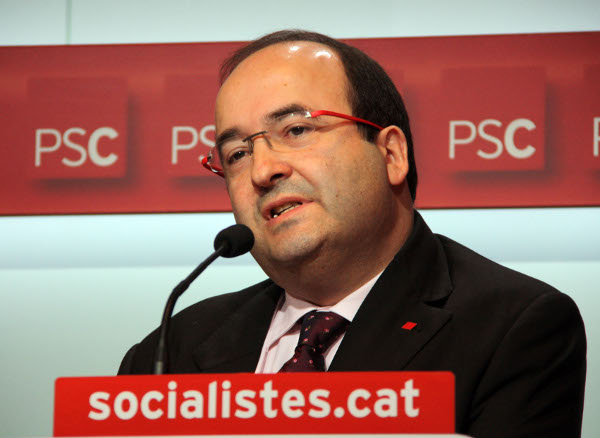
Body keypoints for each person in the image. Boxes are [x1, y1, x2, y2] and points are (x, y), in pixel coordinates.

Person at [119, 30, 586, 436]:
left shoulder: (512, 328)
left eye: (296, 130)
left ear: (391, 155)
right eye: (237, 154)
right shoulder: (170, 351)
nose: (262, 170)